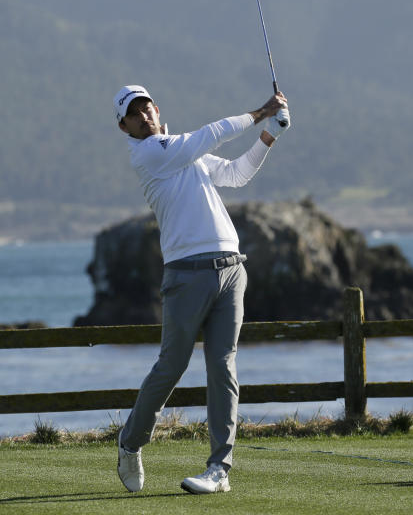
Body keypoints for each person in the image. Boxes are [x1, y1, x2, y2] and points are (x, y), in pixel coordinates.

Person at [112, 84, 290, 495]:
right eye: (134, 115)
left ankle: (218, 469)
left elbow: (236, 174)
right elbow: (208, 135)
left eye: (146, 108)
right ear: (124, 127)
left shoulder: (182, 152)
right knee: (171, 366)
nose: (143, 117)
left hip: (231, 268)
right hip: (186, 273)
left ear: (157, 108)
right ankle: (130, 441)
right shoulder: (151, 154)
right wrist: (262, 111)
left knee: (223, 367)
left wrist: (270, 134)